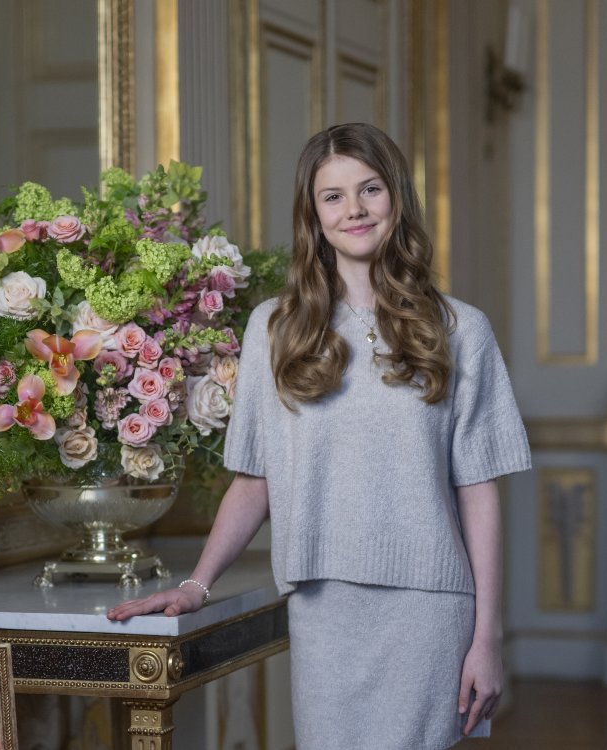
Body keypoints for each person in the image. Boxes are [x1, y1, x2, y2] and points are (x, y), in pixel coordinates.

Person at [107, 122, 530, 749]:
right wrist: (197, 584)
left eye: (370, 189)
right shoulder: (274, 329)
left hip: (429, 608)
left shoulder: (460, 329)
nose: (354, 209)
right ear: (313, 215)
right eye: (333, 196)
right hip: (322, 608)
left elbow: (479, 490)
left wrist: (487, 638)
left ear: (397, 198)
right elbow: (254, 480)